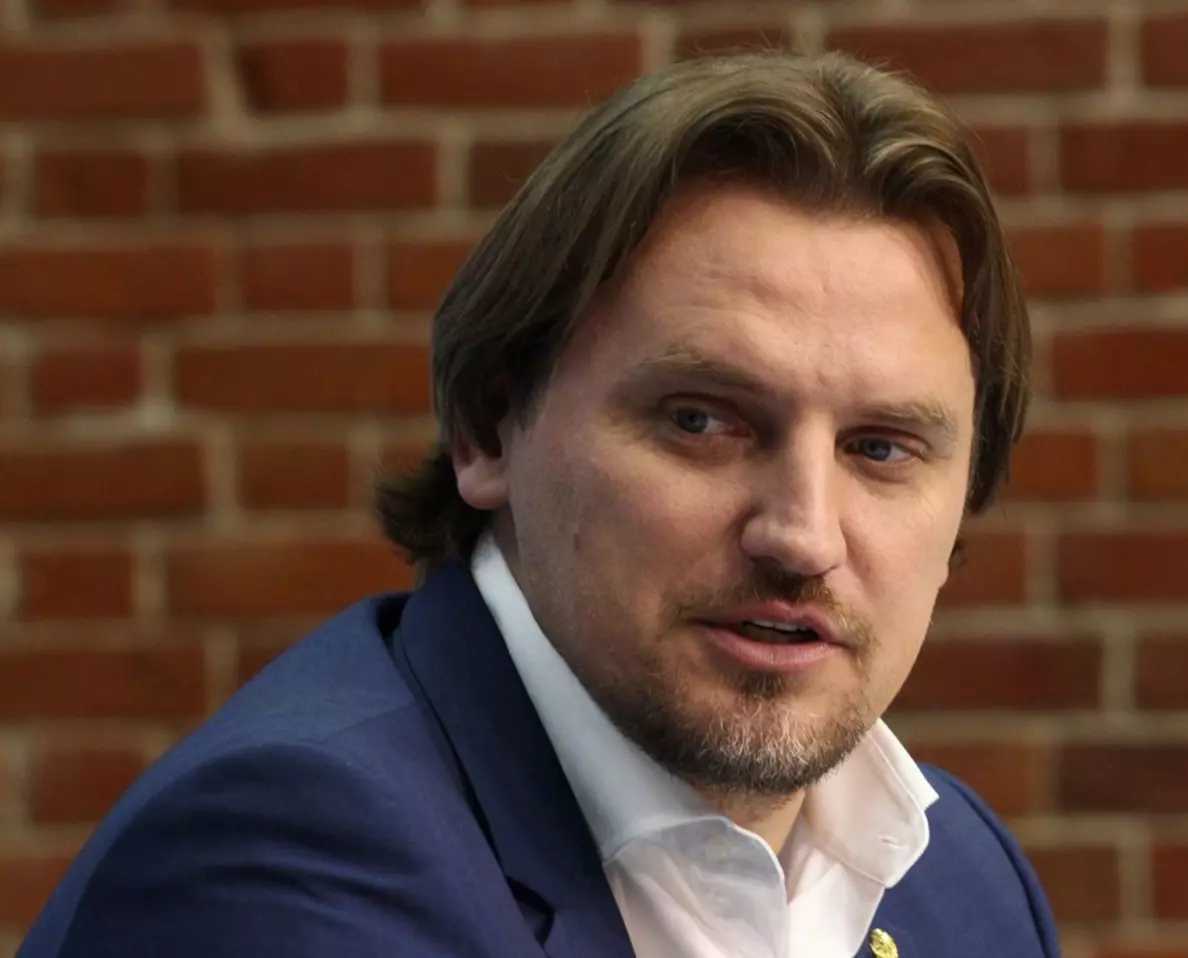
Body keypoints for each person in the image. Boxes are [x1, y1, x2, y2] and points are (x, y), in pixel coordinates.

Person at [19, 50, 1058, 958]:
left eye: (879, 448)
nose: (800, 534)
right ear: (487, 428)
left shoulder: (961, 883)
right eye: (702, 421)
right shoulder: (284, 864)